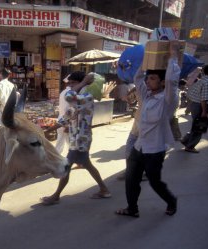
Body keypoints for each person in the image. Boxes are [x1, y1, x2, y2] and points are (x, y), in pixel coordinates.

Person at [116, 41, 181, 218]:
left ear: (161, 82)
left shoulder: (168, 100)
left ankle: (171, 201)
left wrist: (173, 56)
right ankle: (132, 208)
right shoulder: (146, 96)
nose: (148, 81)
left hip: (155, 150)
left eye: (152, 78)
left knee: (154, 181)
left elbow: (171, 81)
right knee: (131, 179)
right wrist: (146, 62)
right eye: (149, 78)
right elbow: (137, 79)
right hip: (139, 146)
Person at [40, 72, 111, 206]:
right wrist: (48, 129)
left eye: (73, 83)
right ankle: (104, 189)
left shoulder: (86, 97)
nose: (70, 87)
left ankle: (56, 196)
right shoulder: (78, 99)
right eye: (70, 84)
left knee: (67, 166)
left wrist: (83, 82)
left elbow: (68, 97)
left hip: (81, 140)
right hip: (77, 140)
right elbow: (66, 117)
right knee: (88, 165)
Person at [181, 64, 208, 153]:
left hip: (195, 104)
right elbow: (204, 99)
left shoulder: (202, 80)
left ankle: (186, 140)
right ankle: (190, 146)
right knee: (200, 127)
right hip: (200, 106)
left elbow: (190, 93)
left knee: (196, 125)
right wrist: (204, 112)